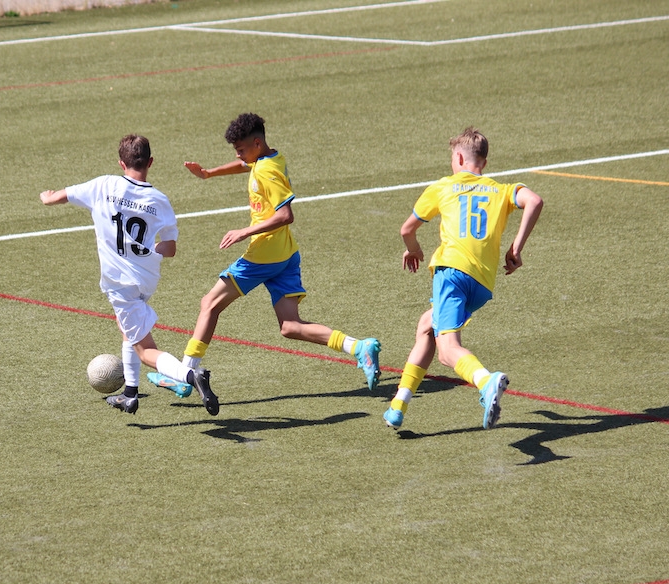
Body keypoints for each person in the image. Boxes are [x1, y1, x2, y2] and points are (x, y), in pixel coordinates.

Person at [152, 113, 381, 405]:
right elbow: (246, 164)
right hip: (285, 254)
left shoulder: (267, 172)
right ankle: (358, 347)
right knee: (290, 326)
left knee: (209, 303)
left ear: (257, 143)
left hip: (263, 255)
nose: (238, 155)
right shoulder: (269, 158)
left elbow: (286, 215)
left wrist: (244, 231)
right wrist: (209, 173)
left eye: (241, 149)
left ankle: (185, 375)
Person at [40, 134, 219, 416]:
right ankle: (130, 394)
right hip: (147, 277)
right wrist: (146, 250)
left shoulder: (103, 185)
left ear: (121, 163)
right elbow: (170, 249)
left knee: (145, 350)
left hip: (120, 283)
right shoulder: (159, 200)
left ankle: (189, 375)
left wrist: (47, 197)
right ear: (150, 162)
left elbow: (59, 197)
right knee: (128, 329)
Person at [383, 127, 544, 430]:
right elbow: (534, 201)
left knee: (447, 351)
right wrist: (515, 249)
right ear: (484, 161)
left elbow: (407, 230)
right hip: (482, 284)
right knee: (427, 325)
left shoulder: (444, 186)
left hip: (452, 274)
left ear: (458, 158)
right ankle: (399, 404)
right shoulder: (501, 190)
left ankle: (486, 381)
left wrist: (413, 249)